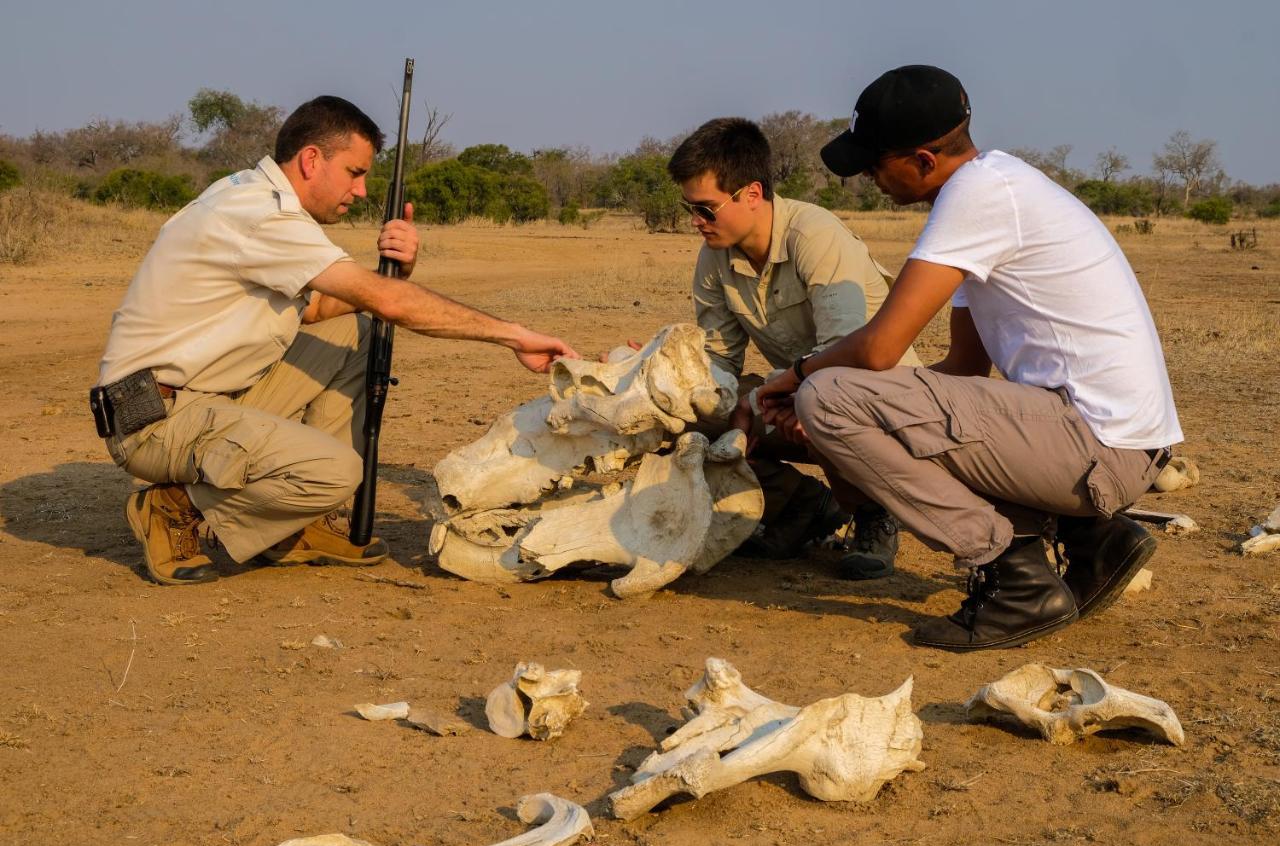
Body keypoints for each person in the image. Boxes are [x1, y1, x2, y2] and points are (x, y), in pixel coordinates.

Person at [756, 66, 1181, 651]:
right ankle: (1093, 542)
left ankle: (1015, 574)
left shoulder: (976, 197)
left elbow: (879, 349)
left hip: (1098, 448)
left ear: (925, 161)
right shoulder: (997, 187)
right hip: (1109, 440)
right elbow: (962, 369)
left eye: (877, 164)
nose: (871, 179)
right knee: (852, 404)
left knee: (829, 397)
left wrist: (801, 376)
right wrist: (872, 423)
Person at [95, 96, 578, 586]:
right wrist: (513, 335)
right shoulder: (260, 214)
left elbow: (320, 311)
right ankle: (171, 506)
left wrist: (396, 275)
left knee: (358, 331)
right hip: (155, 420)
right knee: (335, 471)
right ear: (311, 160)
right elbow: (390, 303)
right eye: (354, 172)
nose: (362, 190)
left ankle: (294, 521)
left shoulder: (260, 199)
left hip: (207, 397)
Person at [665, 117, 920, 577]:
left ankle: (874, 515)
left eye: (706, 209)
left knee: (826, 398)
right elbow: (719, 358)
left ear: (753, 194)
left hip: (881, 402)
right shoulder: (714, 255)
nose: (696, 222)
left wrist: (774, 394)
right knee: (680, 407)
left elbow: (847, 352)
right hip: (799, 390)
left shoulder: (813, 234)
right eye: (690, 208)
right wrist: (663, 373)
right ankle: (805, 507)